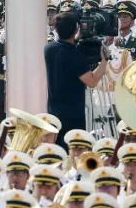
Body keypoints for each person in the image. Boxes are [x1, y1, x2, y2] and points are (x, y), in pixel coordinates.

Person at [42, 11, 108, 148]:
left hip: (53, 111)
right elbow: (92, 81)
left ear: (55, 28)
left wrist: (76, 40)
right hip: (73, 115)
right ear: (77, 29)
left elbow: (63, 48)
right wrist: (104, 61)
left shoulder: (48, 49)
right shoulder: (74, 55)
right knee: (73, 149)